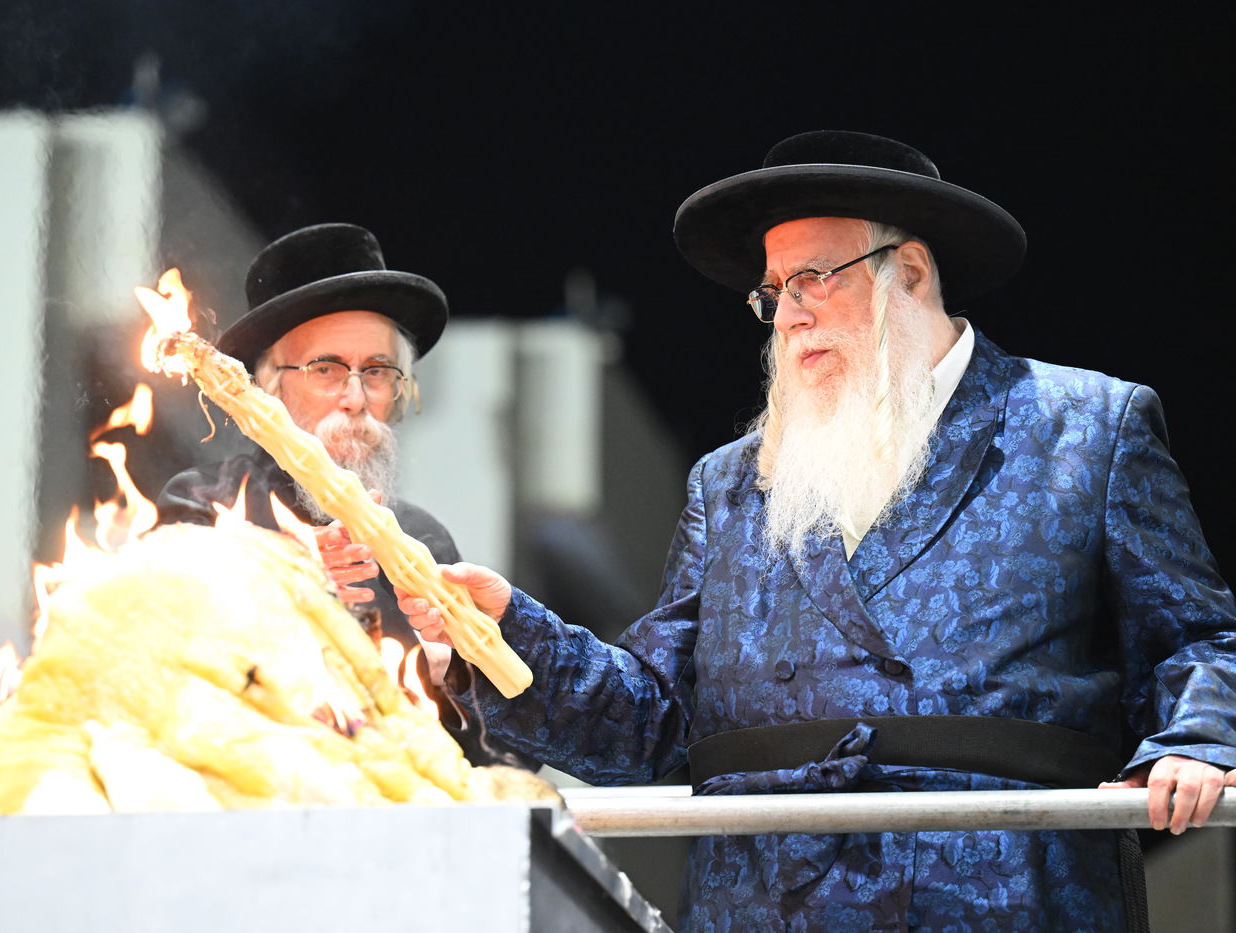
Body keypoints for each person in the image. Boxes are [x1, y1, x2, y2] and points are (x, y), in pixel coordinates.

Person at [397, 131, 1236, 931]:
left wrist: (1197, 738)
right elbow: (651, 721)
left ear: (910, 273)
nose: (789, 314)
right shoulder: (730, 482)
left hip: (1007, 889)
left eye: (814, 278)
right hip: (765, 901)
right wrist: (502, 633)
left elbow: (1198, 638)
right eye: (774, 291)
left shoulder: (1086, 428)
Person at [156, 223, 519, 766]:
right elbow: (161, 678)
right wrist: (295, 581)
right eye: (325, 369)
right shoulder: (203, 506)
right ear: (268, 385)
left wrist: (458, 677)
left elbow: (496, 758)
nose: (355, 397)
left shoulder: (422, 539)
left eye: (377, 371)